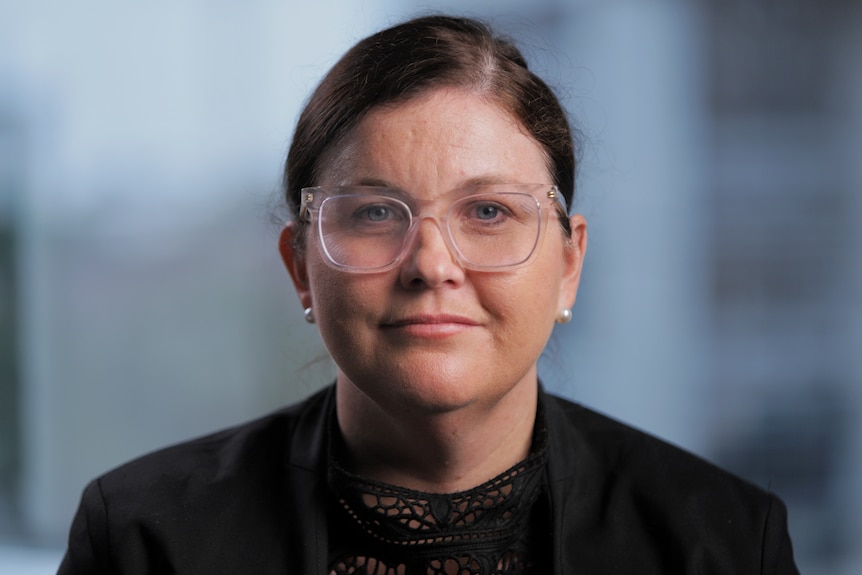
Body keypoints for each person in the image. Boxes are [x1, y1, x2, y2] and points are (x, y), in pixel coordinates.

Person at [58, 15, 799, 575]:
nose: (431, 265)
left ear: (569, 265)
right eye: (377, 213)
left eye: (488, 212)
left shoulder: (725, 542)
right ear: (299, 268)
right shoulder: (143, 538)